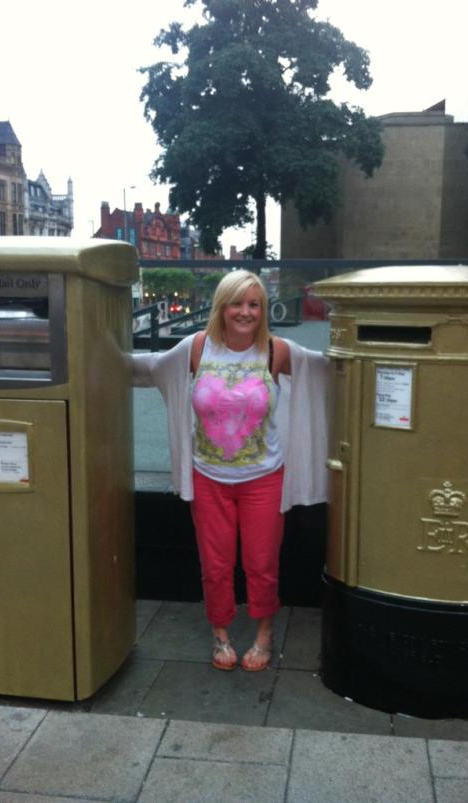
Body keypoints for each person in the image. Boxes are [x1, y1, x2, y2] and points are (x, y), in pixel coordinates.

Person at [132, 270, 328, 671]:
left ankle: (263, 634)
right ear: (221, 307)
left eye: (253, 304)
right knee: (216, 563)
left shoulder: (277, 351)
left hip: (264, 479)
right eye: (237, 303)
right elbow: (151, 367)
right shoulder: (197, 348)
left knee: (261, 562)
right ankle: (219, 633)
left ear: (263, 309)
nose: (245, 312)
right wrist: (92, 355)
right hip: (209, 479)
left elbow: (329, 372)